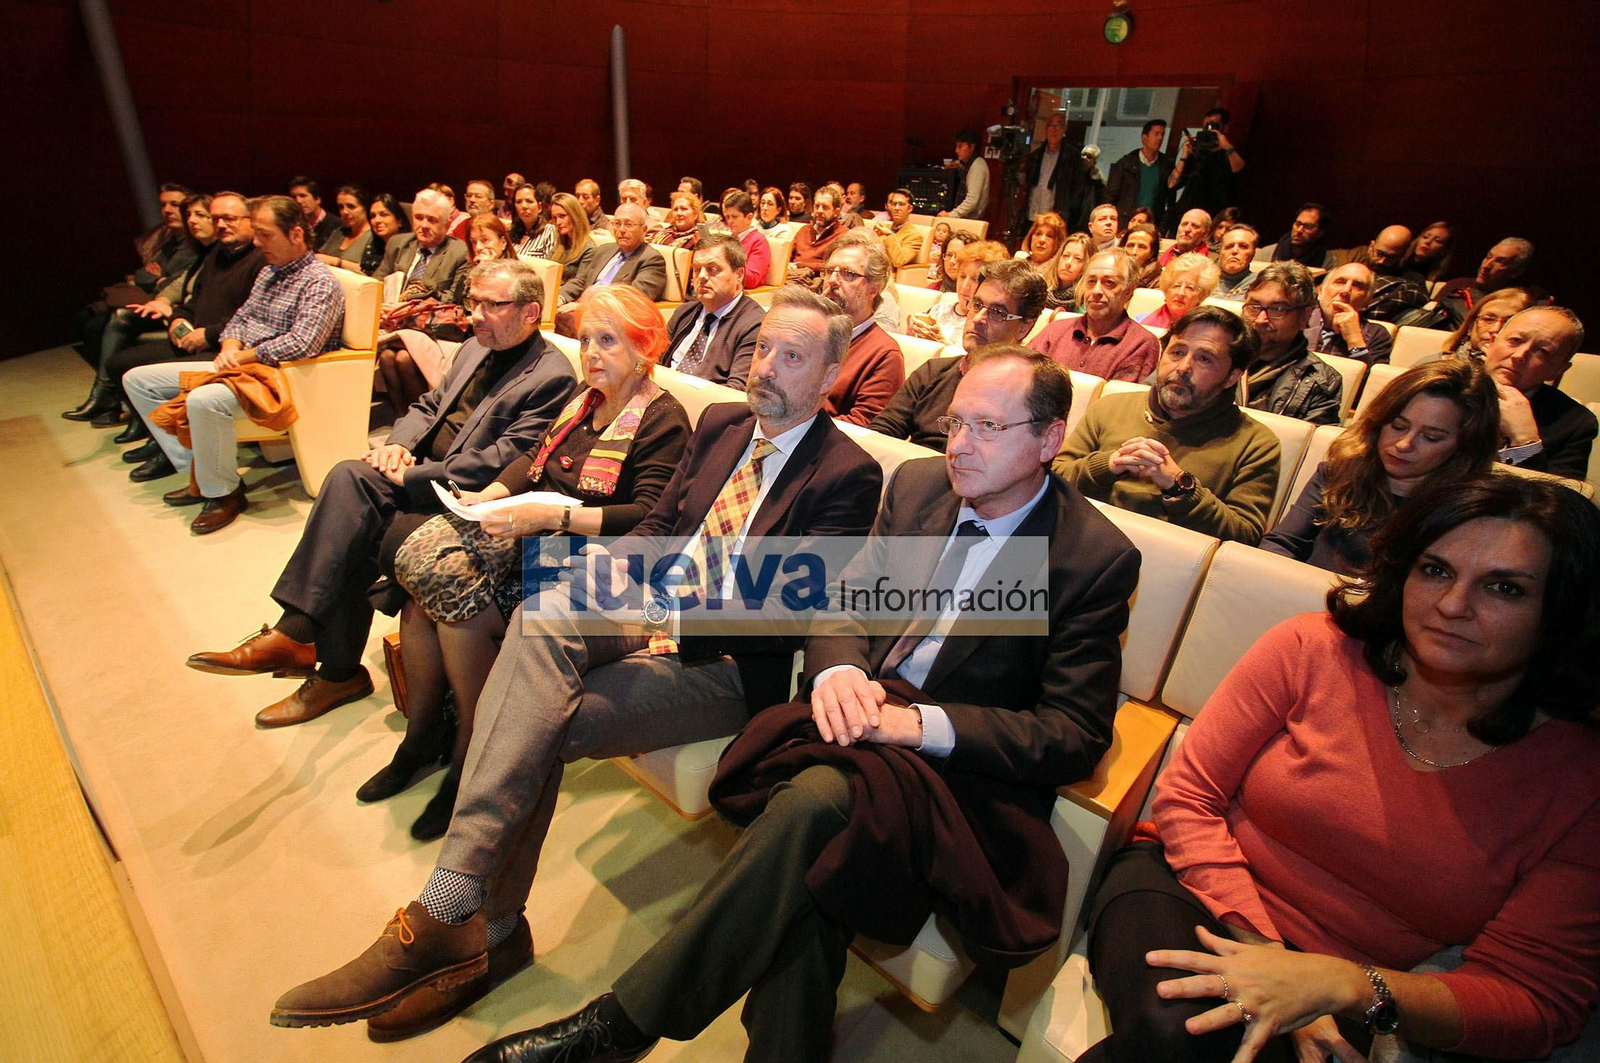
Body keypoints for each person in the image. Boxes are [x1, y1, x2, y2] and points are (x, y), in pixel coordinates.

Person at [461, 346, 1142, 1063]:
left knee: (814, 804)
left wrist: (917, 725)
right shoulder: (919, 489)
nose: (960, 446)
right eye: (956, 422)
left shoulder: (1088, 557)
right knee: (817, 863)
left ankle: (615, 1028)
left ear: (1049, 439)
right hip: (859, 728)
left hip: (961, 777)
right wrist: (838, 670)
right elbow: (843, 602)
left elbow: (1073, 732)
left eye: (988, 428)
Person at [269, 286, 884, 1040]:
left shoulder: (848, 472)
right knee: (542, 609)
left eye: (793, 357)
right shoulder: (723, 422)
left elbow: (789, 610)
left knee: (539, 717)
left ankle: (470, 930)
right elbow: (659, 527)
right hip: (649, 604)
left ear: (829, 374)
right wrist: (608, 570)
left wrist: (657, 607)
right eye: (763, 349)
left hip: (725, 660)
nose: (767, 368)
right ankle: (462, 908)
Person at [1083, 471, 1600, 1063]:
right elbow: (1189, 798)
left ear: (1561, 610)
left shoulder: (1581, 778)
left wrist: (1343, 985)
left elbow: (1533, 999)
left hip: (1372, 985)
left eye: (1504, 589)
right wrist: (1275, 961)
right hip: (1194, 887)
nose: (1453, 605)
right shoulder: (1312, 648)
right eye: (1435, 570)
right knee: (1178, 1029)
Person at [184, 259, 579, 723]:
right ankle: (310, 647)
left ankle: (321, 658)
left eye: (492, 305)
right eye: (473, 302)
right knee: (349, 477)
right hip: (419, 469)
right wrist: (396, 445)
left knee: (354, 523)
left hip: (464, 496)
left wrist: (411, 475)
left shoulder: (551, 375)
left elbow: (504, 459)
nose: (475, 314)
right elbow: (429, 404)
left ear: (531, 312)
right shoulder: (475, 347)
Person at [365, 285, 693, 840]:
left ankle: (472, 752)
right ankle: (424, 735)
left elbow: (645, 514)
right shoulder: (583, 400)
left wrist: (551, 517)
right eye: (585, 340)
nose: (590, 353)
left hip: (591, 559)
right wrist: (489, 495)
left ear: (644, 349)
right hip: (533, 529)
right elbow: (529, 458)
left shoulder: (662, 418)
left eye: (607, 341)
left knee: (458, 612)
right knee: (424, 593)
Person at [122, 195, 345, 532]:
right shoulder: (271, 271)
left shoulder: (319, 281)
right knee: (138, 381)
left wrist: (243, 356)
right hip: (241, 365)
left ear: (296, 234)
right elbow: (241, 318)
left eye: (265, 235)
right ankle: (199, 473)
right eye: (256, 234)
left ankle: (224, 493)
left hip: (277, 377)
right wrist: (229, 346)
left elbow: (304, 343)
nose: (257, 243)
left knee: (203, 401)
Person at [1056, 305, 1280, 543]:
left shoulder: (1256, 443)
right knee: (1018, 570)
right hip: (1074, 539)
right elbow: (1052, 478)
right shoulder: (1111, 407)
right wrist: (1109, 464)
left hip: (1163, 564)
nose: (1183, 368)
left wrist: (1180, 486)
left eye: (1204, 359)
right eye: (1177, 352)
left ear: (1232, 376)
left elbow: (1244, 537)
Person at [1263, 359, 1499, 573]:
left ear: (1464, 447)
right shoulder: (1339, 473)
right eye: (1397, 426)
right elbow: (1282, 543)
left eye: (1431, 437)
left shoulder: (1465, 512)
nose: (1404, 444)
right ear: (1379, 422)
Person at [92, 192, 268, 445]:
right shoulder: (217, 253)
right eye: (216, 219)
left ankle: (168, 444)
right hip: (194, 337)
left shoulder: (261, 259)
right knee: (120, 362)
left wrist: (207, 335)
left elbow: (254, 316)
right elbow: (193, 299)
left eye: (229, 219)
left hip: (224, 347)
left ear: (251, 220)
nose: (220, 225)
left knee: (136, 367)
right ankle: (152, 432)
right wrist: (178, 319)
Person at [67, 192, 224, 428]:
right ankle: (120, 406)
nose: (191, 220)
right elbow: (150, 276)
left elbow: (191, 291)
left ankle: (113, 402)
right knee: (111, 321)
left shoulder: (217, 253)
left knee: (119, 326)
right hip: (183, 315)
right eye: (188, 214)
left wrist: (167, 298)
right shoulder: (194, 249)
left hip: (201, 326)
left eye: (199, 215)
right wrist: (163, 300)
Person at [871, 259, 1047, 449]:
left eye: (997, 312)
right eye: (977, 305)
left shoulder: (1029, 393)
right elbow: (880, 436)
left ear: (1023, 328)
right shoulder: (933, 372)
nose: (979, 318)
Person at [1483, 306, 1596, 479]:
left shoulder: (1573, 423)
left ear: (1559, 370)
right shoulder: (1438, 385)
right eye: (1515, 340)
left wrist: (1525, 441)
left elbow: (1561, 501)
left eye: (1542, 351)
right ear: (1492, 342)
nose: (1520, 355)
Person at [1030, 249, 1160, 382]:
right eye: (1091, 281)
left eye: (1109, 282)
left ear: (1128, 291)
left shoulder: (1141, 344)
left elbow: (1119, 400)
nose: (1096, 290)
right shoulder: (1055, 331)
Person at [1241, 262, 1343, 425]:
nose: (1261, 319)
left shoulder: (1321, 381)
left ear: (1304, 316)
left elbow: (1305, 445)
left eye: (1278, 309)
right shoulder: (1218, 355)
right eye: (1254, 306)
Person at [819, 233, 905, 425]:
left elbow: (864, 426)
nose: (833, 280)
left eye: (847, 273)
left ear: (873, 290)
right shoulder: (808, 333)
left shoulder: (885, 355)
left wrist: (795, 433)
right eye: (829, 271)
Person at [660, 236, 765, 389]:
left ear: (739, 274)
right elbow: (653, 362)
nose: (701, 276)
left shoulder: (754, 325)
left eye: (712, 269)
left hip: (705, 406)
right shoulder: (684, 312)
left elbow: (736, 392)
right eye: (696, 269)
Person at [554, 204, 668, 329]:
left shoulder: (651, 259)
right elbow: (581, 280)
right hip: (582, 308)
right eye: (617, 224)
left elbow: (633, 299)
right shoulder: (604, 250)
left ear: (644, 229)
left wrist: (586, 306)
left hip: (612, 318)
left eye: (629, 224)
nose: (622, 230)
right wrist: (560, 297)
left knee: (563, 320)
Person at [905, 237, 1007, 346]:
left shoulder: (988, 323)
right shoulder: (939, 310)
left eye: (975, 279)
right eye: (962, 276)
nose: (964, 286)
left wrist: (943, 344)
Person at [374, 189, 470, 298]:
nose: (424, 225)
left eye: (431, 220)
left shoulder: (460, 253)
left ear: (446, 225)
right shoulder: (397, 243)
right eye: (419, 218)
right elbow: (376, 283)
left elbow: (454, 299)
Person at [1431, 238, 1536, 330]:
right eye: (1488, 257)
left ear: (1516, 271)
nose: (1486, 266)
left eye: (1500, 261)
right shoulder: (1457, 285)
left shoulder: (1525, 298)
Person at [1305, 260, 1396, 362]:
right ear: (1320, 291)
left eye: (1357, 285)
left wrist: (1354, 340)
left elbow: (1367, 376)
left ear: (1367, 300)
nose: (1345, 291)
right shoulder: (1298, 318)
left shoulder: (1377, 335)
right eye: (1340, 282)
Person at [1167, 107, 1245, 218]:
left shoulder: (1230, 153)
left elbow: (1240, 169)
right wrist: (1185, 155)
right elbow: (1171, 184)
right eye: (1206, 126)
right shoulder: (1196, 154)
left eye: (1214, 125)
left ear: (1225, 128)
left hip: (1216, 215)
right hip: (1188, 213)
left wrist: (1226, 145)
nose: (1209, 130)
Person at [1104, 118, 1173, 224]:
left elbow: (1169, 199)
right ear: (1145, 137)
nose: (1160, 138)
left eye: (1162, 134)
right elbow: (1110, 195)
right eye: (1156, 134)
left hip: (1152, 222)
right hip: (1126, 220)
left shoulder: (1165, 165)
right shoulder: (1126, 163)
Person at [1440, 286, 1533, 361]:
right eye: (1488, 319)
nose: (1495, 329)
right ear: (1470, 326)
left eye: (1508, 322)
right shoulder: (1439, 365)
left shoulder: (1528, 380)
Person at [1023, 112, 1083, 226]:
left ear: (1064, 129)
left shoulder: (1072, 157)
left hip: (1056, 216)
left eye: (1058, 125)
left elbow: (1077, 190)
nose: (1054, 129)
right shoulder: (1036, 155)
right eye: (1051, 125)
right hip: (1033, 213)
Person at [1138, 252, 1219, 331]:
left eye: (1190, 288)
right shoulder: (1140, 321)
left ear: (1202, 295)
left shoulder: (1207, 330)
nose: (1181, 293)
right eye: (1176, 286)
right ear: (1166, 290)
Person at [786, 184, 847, 287]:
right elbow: (787, 256)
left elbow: (834, 267)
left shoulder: (843, 235)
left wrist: (801, 265)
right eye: (817, 206)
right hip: (792, 279)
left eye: (825, 207)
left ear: (836, 212)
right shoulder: (804, 230)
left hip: (817, 284)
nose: (819, 210)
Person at [314, 185, 373, 273]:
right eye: (341, 207)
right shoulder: (339, 232)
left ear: (365, 208)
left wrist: (337, 262)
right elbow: (321, 256)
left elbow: (370, 270)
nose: (344, 212)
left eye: (351, 206)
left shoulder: (373, 237)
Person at [718, 191, 771, 289]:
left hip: (741, 295)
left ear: (749, 217)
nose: (729, 221)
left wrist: (725, 262)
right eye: (727, 217)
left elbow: (752, 280)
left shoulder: (759, 241)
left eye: (734, 217)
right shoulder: (727, 239)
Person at [544, 192, 596, 284]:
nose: (558, 222)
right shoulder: (560, 245)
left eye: (562, 216)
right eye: (554, 218)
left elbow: (580, 283)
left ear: (575, 215)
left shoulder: (589, 249)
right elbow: (545, 268)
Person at [939, 128, 991, 220]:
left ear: (971, 147)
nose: (956, 151)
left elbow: (972, 200)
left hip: (971, 218)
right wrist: (959, 166)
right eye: (956, 146)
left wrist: (951, 215)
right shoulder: (971, 164)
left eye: (960, 146)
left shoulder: (977, 167)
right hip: (967, 217)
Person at [1020, 211, 1069, 301]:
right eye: (1038, 234)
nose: (1042, 240)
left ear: (1059, 242)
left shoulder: (1059, 270)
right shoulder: (1019, 263)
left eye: (1049, 236)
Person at [871, 188, 923, 270]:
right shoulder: (883, 227)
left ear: (909, 208)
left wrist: (889, 235)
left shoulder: (915, 236)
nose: (896, 208)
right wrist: (872, 238)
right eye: (894, 204)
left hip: (887, 275)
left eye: (901, 204)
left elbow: (899, 261)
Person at [1269, 203, 1333, 269]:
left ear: (1320, 233)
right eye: (1297, 224)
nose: (1299, 230)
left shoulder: (1327, 261)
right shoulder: (1268, 253)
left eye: (1308, 226)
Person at [363, 192, 410, 275]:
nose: (377, 220)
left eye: (383, 215)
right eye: (373, 216)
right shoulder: (372, 246)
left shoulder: (409, 249)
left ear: (399, 221)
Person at [507, 183, 556, 261]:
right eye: (519, 202)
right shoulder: (510, 233)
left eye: (529, 201)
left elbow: (549, 266)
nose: (524, 206)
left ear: (539, 207)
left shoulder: (549, 231)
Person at [1211, 223, 1259, 299]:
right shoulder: (1202, 278)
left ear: (1253, 253)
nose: (1235, 251)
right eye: (1229, 246)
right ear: (1220, 251)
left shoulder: (1259, 283)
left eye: (1243, 246)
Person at [289, 176, 338, 248]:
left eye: (303, 196)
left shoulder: (337, 225)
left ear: (317, 199)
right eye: (294, 197)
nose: (298, 201)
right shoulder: (293, 225)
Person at [1050, 232, 1093, 311]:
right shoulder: (1041, 291)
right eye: (1065, 255)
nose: (1068, 263)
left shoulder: (1087, 301)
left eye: (1077, 258)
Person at [1070, 145, 1107, 231]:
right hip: (1069, 217)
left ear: (1094, 162)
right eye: (1083, 155)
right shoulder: (1071, 174)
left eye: (1089, 157)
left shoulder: (1099, 181)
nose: (1084, 158)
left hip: (1085, 222)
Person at [1121, 223, 1163, 289]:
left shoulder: (1159, 281)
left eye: (1142, 247)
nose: (1134, 252)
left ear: (1151, 253)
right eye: (1130, 245)